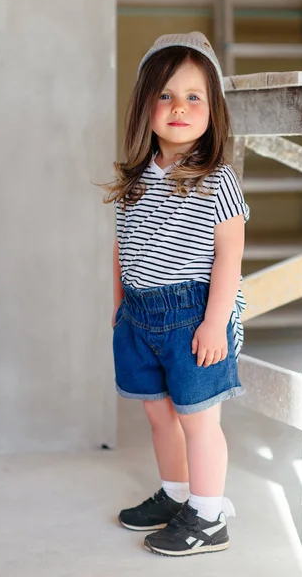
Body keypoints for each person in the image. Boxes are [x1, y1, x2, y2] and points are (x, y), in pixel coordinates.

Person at [104, 31, 249, 557]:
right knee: (158, 413)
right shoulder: (135, 180)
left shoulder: (216, 179)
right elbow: (123, 247)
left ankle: (209, 515)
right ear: (145, 106)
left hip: (192, 314)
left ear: (214, 110)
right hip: (139, 315)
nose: (179, 107)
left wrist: (215, 321)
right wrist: (118, 306)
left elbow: (228, 256)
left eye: (194, 97)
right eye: (165, 95)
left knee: (197, 417)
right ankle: (177, 493)